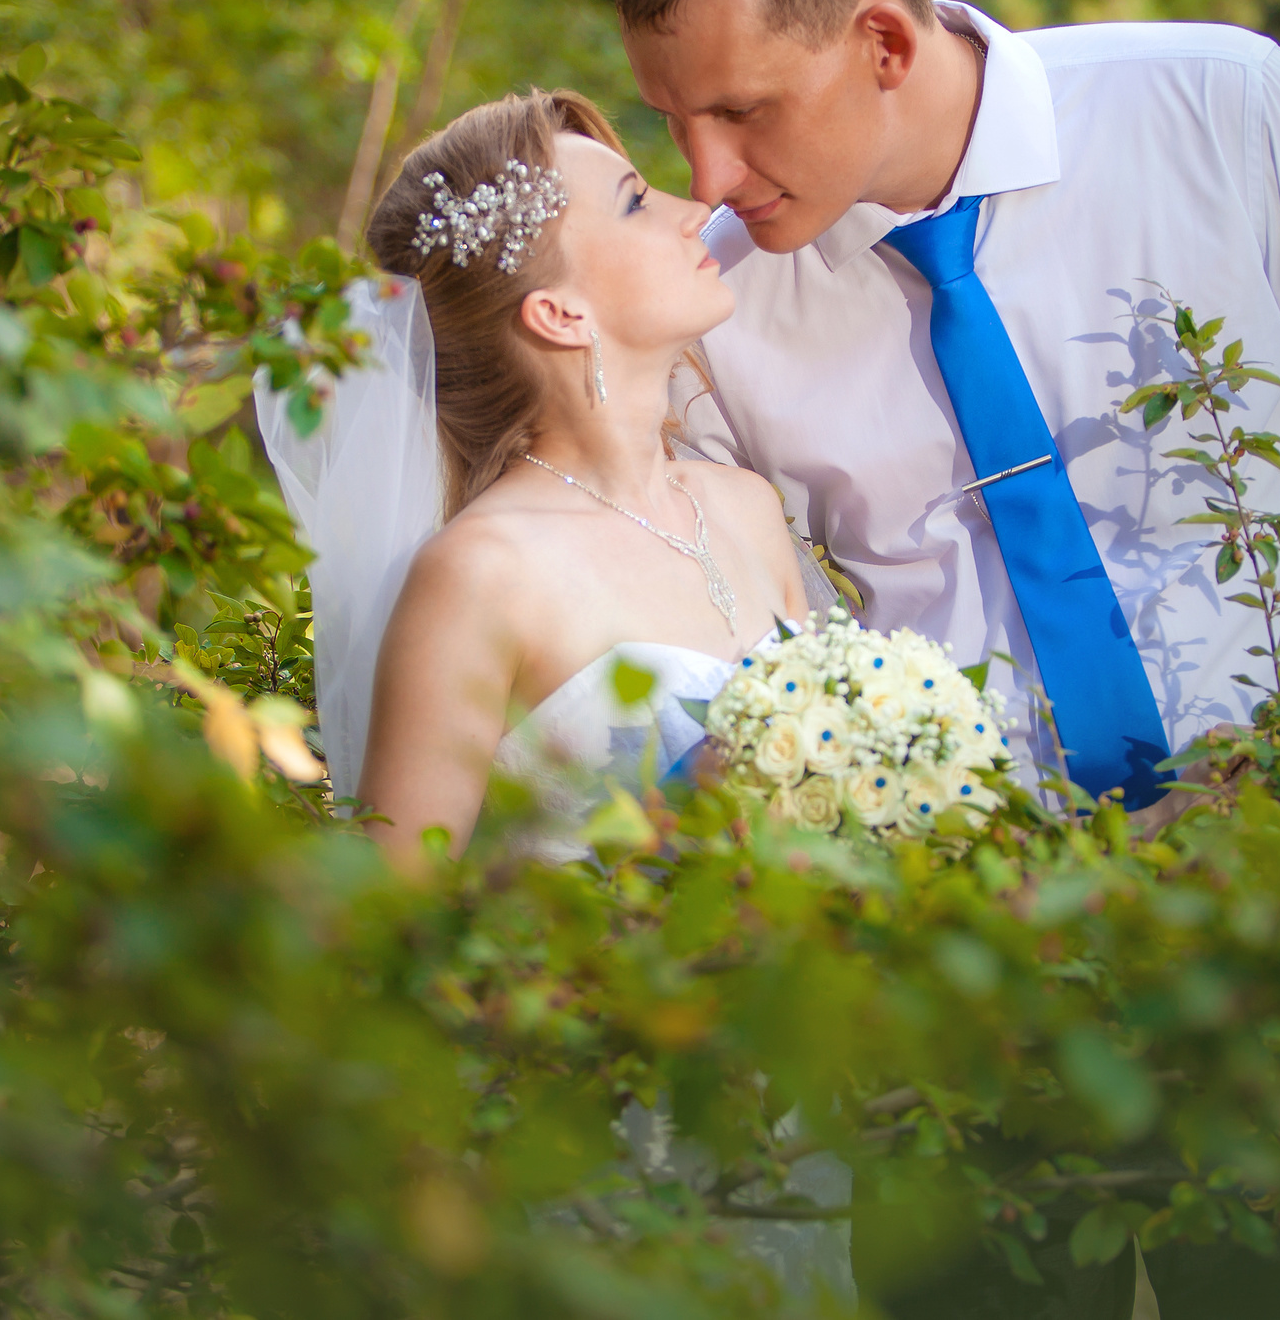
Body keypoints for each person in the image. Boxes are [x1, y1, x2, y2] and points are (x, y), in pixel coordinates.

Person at [609, 0, 1280, 1319]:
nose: (707, 174)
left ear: (885, 41)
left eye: (741, 109)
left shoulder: (1215, 106)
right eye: (674, 118)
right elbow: (731, 615)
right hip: (967, 966)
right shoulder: (728, 294)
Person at [255, 87, 852, 1307]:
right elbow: (388, 938)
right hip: (605, 1163)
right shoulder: (481, 574)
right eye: (635, 199)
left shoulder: (741, 506)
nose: (696, 203)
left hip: (800, 1119)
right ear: (558, 309)